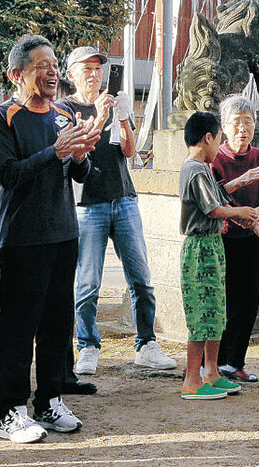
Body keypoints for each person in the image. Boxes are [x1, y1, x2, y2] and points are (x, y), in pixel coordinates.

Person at [0, 35, 100, 444]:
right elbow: (9, 175)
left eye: (54, 65)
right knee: (18, 324)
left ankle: (49, 400)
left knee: (56, 322)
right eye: (42, 66)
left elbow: (81, 175)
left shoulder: (63, 113)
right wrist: (56, 150)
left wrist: (81, 155)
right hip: (24, 238)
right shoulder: (2, 116)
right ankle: (11, 411)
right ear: (17, 74)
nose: (52, 73)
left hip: (64, 232)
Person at [60, 47, 177, 380]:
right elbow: (75, 150)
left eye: (99, 68)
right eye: (87, 68)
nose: (95, 74)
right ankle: (88, 346)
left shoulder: (113, 103)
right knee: (87, 282)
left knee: (141, 278)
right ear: (72, 73)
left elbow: (129, 150)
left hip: (123, 196)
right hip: (87, 203)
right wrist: (99, 116)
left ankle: (147, 345)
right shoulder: (66, 108)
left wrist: (123, 117)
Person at [178, 111, 259, 399]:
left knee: (216, 311)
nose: (221, 145)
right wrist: (240, 211)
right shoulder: (196, 169)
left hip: (212, 244)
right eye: (219, 138)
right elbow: (212, 209)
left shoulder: (201, 168)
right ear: (209, 137)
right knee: (202, 314)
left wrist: (240, 183)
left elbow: (216, 195)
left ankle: (211, 373)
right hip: (200, 246)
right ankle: (192, 379)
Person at [209, 94, 259, 383]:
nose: (243, 130)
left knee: (248, 299)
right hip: (222, 239)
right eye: (237, 123)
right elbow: (212, 200)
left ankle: (235, 362)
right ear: (224, 127)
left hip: (253, 240)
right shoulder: (215, 159)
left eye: (248, 123)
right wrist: (250, 218)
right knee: (221, 299)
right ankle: (214, 363)